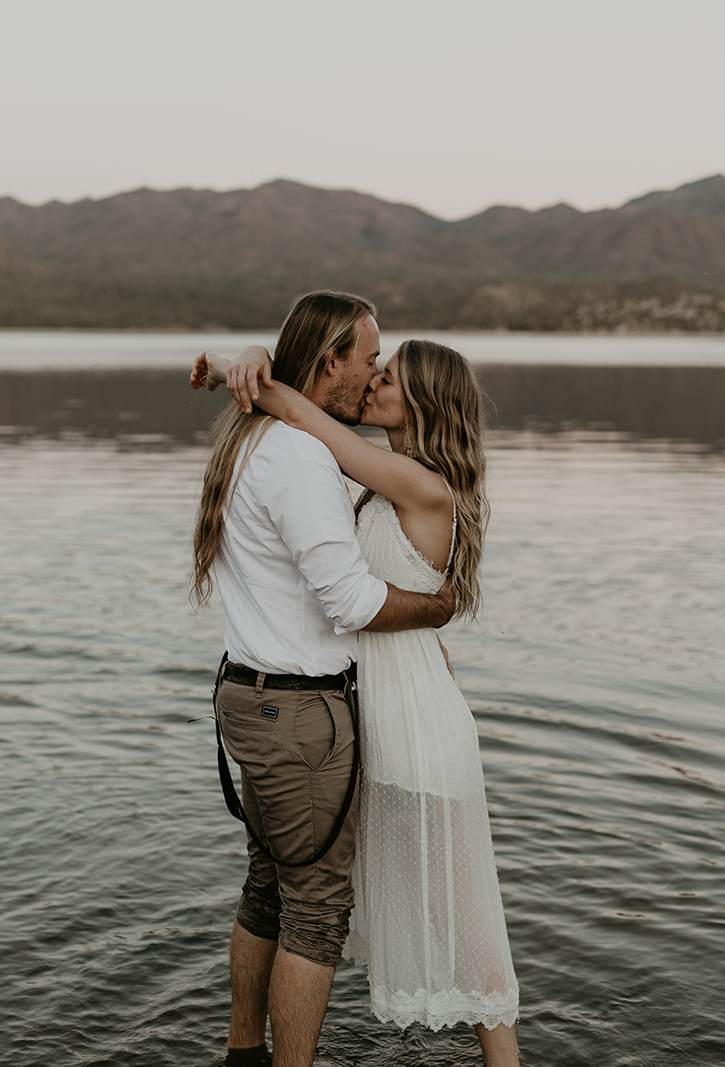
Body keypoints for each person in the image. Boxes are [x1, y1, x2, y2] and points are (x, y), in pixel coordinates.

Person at [194, 337, 522, 1067]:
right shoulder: (389, 485)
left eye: (390, 377)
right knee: (337, 897)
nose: (374, 381)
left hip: (412, 729)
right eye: (375, 367)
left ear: (425, 404)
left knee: (464, 920)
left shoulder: (421, 484)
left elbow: (311, 419)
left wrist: (231, 368)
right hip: (383, 717)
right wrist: (250, 357)